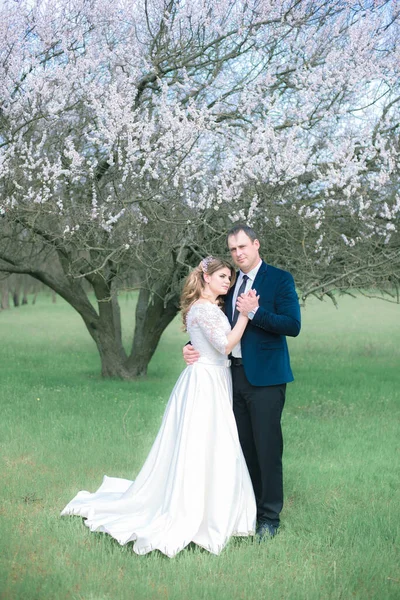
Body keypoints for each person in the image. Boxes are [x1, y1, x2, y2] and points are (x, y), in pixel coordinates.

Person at [61, 257, 256, 558]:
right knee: (204, 443)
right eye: (222, 276)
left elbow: (205, 344)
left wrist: (193, 346)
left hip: (213, 377)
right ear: (205, 277)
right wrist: (245, 315)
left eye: (229, 277)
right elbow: (225, 345)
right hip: (205, 382)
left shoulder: (208, 307)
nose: (227, 281)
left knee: (214, 443)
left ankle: (217, 503)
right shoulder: (204, 309)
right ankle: (197, 509)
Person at [183, 224, 301, 539]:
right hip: (230, 377)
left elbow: (292, 325)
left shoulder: (279, 279)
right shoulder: (230, 284)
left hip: (266, 380)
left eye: (243, 247)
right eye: (233, 249)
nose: (238, 254)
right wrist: (192, 346)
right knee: (242, 448)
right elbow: (213, 324)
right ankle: (246, 511)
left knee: (267, 447)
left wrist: (256, 311)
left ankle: (269, 519)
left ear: (256, 244)